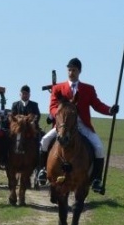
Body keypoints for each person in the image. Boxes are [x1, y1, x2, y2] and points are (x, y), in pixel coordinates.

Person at [36, 57, 119, 194]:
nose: (71, 73)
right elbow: (52, 107)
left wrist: (110, 110)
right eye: (69, 70)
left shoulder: (88, 89)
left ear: (79, 71)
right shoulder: (58, 88)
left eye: (74, 70)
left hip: (83, 126)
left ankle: (97, 180)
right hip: (63, 125)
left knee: (98, 147)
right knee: (44, 141)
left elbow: (97, 105)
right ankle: (43, 171)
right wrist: (60, 115)